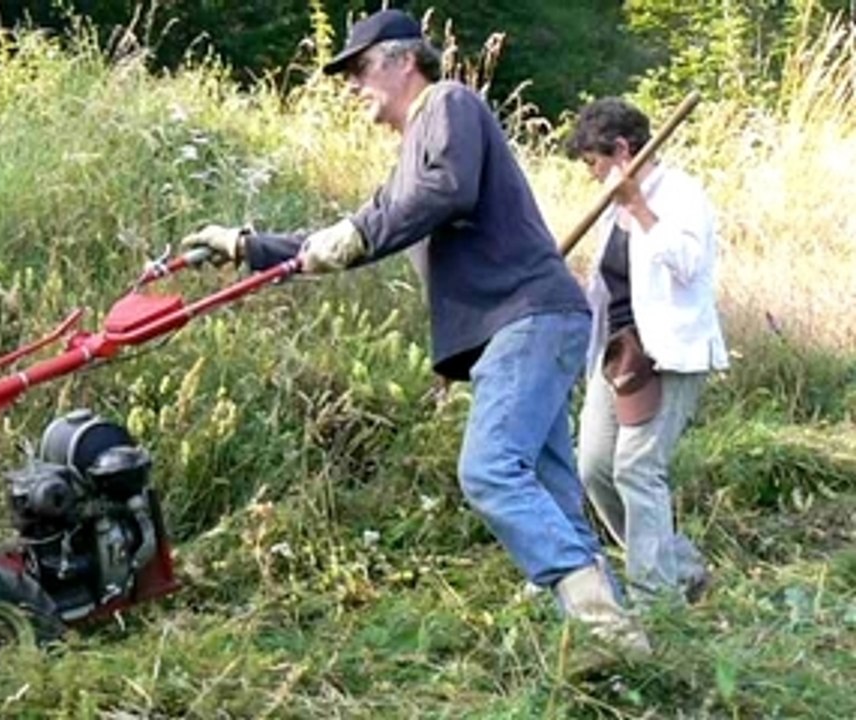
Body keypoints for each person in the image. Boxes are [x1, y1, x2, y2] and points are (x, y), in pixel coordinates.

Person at [182, 10, 649, 656]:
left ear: (404, 60)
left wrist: (363, 234)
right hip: (525, 325)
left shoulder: (449, 104)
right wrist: (246, 245)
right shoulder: (413, 157)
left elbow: (446, 191)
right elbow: (357, 228)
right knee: (546, 488)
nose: (351, 84)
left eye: (359, 67)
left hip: (528, 317)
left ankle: (602, 628)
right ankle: (609, 645)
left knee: (489, 470)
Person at [564, 97, 729, 604]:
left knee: (638, 467)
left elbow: (687, 264)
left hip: (667, 353)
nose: (591, 175)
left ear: (619, 150)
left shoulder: (680, 194)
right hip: (617, 357)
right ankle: (680, 567)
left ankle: (656, 601)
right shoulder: (613, 206)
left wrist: (638, 205)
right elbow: (609, 286)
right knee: (594, 466)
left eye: (593, 162)